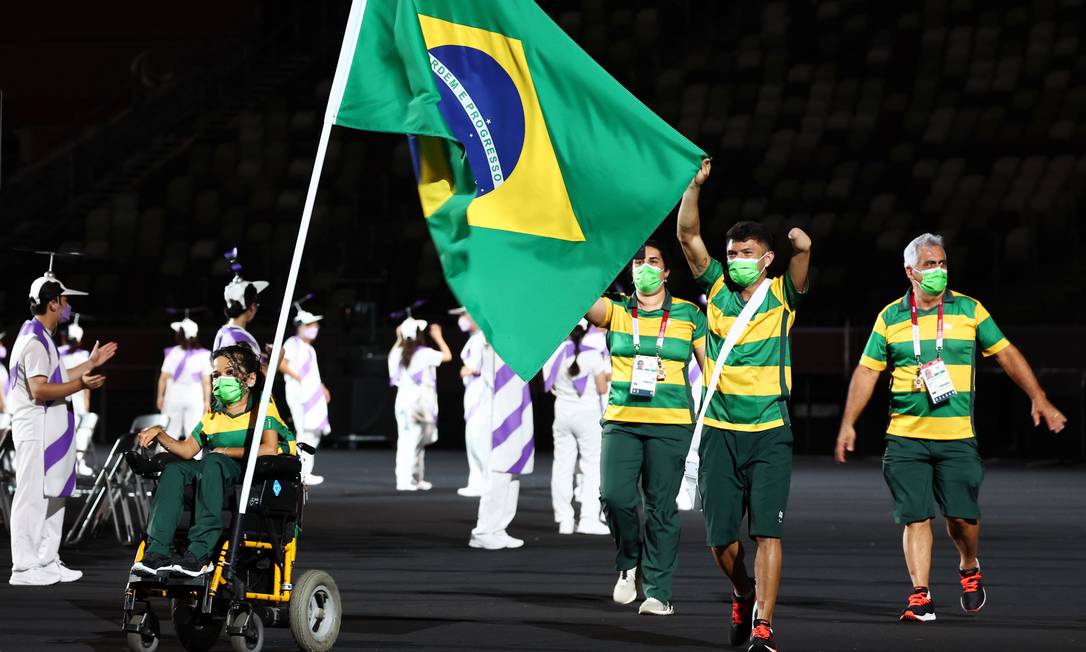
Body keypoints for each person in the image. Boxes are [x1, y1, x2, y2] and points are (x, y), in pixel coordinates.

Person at [834, 233, 1066, 622]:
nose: (939, 271)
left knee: (961, 518)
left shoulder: (970, 310)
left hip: (957, 435)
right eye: (930, 265)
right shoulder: (890, 317)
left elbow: (1006, 353)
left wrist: (1038, 397)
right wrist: (848, 423)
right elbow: (866, 371)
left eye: (942, 263)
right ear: (910, 271)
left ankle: (969, 565)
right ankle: (920, 594)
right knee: (915, 516)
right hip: (905, 435)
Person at [677, 158, 811, 651]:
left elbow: (803, 256)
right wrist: (693, 188)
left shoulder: (783, 296)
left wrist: (803, 243)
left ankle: (764, 623)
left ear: (766, 259)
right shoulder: (715, 288)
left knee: (768, 536)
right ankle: (743, 592)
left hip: (770, 432)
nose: (735, 259)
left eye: (746, 253)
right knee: (719, 541)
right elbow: (689, 237)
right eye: (732, 252)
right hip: (718, 430)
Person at [585, 240, 707, 616]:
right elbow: (582, 301)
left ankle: (658, 592)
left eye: (654, 262)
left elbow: (711, 369)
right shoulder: (617, 309)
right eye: (638, 261)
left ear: (667, 272)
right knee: (614, 497)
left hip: (671, 424)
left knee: (660, 509)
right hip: (622, 421)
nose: (645, 267)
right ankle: (628, 562)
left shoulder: (688, 314)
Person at [132, 344, 297, 577]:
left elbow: (269, 448)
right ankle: (158, 551)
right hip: (219, 467)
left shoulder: (262, 404)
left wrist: (225, 451)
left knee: (212, 462)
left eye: (229, 373)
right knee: (175, 470)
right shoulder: (215, 411)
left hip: (259, 469)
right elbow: (188, 450)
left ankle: (200, 553)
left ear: (249, 379)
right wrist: (160, 433)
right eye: (217, 375)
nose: (221, 380)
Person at [7, 266, 117, 586]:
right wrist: (82, 383)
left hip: (50, 428)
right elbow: (40, 389)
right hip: (35, 428)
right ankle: (25, 567)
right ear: (53, 302)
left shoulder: (42, 337)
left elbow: (59, 377)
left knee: (55, 492)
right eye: (65, 300)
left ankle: (46, 558)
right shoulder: (34, 342)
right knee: (32, 496)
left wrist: (91, 364)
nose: (69, 305)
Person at [544, 319, 610, 535]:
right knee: (591, 467)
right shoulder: (592, 355)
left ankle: (564, 519)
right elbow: (602, 389)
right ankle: (588, 519)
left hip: (562, 412)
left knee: (562, 466)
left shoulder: (556, 354)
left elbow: (550, 384)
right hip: (588, 414)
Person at [468, 347, 534, 550]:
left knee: (513, 469)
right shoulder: (495, 344)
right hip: (498, 413)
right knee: (499, 469)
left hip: (515, 403)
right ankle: (484, 530)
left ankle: (499, 528)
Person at [388, 318, 451, 491]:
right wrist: (438, 337)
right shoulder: (424, 353)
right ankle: (404, 480)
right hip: (418, 403)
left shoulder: (396, 352)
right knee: (412, 442)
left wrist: (398, 338)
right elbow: (447, 356)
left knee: (413, 442)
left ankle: (415, 478)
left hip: (402, 401)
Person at [280, 305, 331, 486]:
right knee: (303, 430)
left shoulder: (309, 348)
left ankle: (306, 470)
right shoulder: (292, 343)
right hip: (298, 392)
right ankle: (300, 471)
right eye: (311, 325)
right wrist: (299, 378)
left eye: (316, 326)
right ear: (300, 326)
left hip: (311, 393)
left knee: (313, 431)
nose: (314, 329)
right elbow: (282, 364)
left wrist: (321, 387)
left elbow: (314, 374)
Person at [452, 308, 490, 498]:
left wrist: (465, 370)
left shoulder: (482, 338)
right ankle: (475, 481)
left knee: (480, 440)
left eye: (464, 315)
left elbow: (474, 367)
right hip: (473, 394)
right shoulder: (474, 338)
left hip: (482, 395)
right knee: (473, 440)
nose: (461, 320)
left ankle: (486, 482)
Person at [156, 316, 212, 443]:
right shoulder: (204, 354)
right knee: (193, 434)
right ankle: (195, 461)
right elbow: (206, 381)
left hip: (173, 395)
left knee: (169, 432)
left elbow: (163, 378)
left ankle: (164, 461)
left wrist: (160, 397)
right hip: (195, 396)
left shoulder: (172, 352)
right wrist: (207, 401)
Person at [214, 251, 268, 357]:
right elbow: (254, 373)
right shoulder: (239, 337)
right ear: (252, 307)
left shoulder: (223, 332)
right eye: (256, 304)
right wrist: (277, 358)